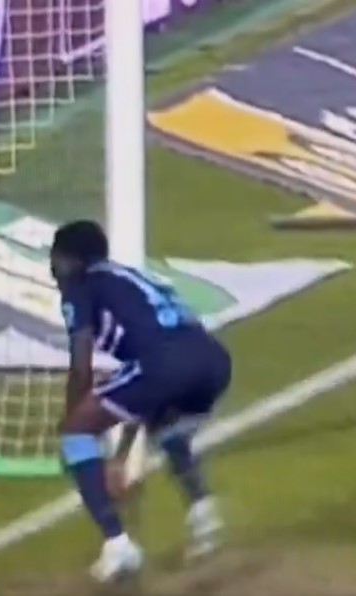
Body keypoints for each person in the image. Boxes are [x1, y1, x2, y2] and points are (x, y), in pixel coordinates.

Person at [51, 220, 232, 582]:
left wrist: (74, 417)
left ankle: (118, 545)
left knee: (75, 433)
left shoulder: (80, 287)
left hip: (165, 364)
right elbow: (147, 399)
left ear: (73, 260)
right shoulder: (130, 276)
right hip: (212, 359)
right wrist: (119, 457)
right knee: (166, 424)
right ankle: (203, 510)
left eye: (56, 258)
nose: (53, 267)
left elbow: (81, 364)